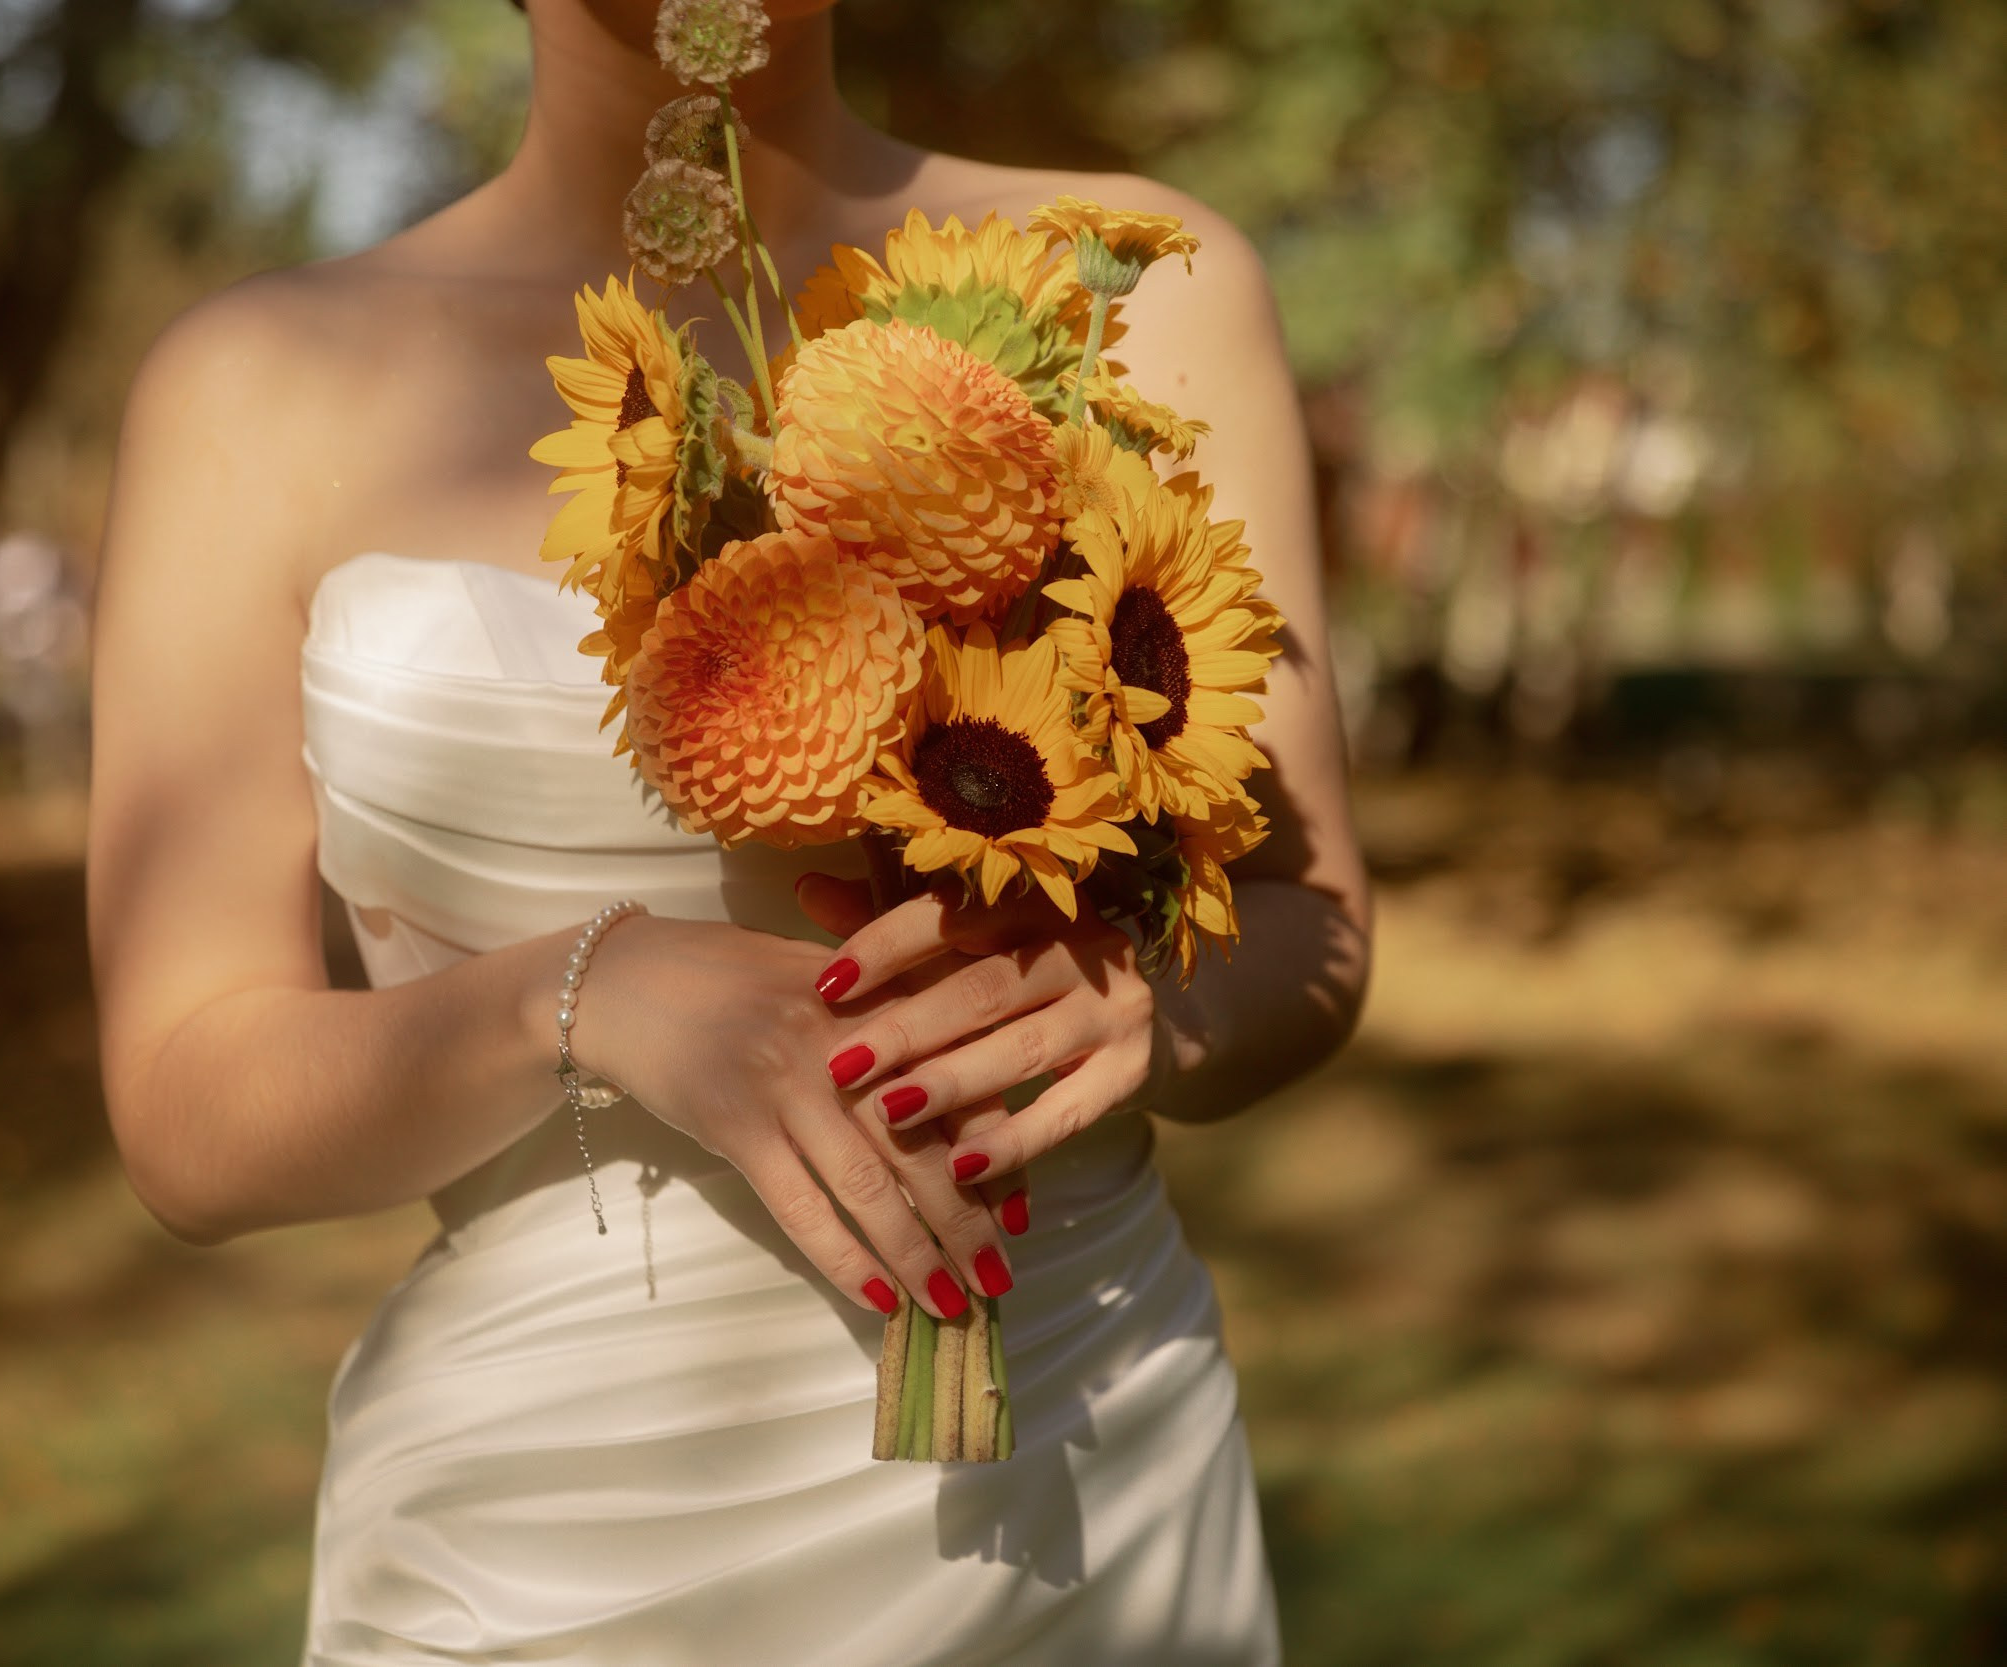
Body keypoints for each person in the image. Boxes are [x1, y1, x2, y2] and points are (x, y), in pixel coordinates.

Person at [87, 0, 1371, 1659]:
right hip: (545, 1539)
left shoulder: (1146, 287)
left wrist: (1148, 1004)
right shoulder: (248, 389)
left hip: (1086, 1458)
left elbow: (1311, 917)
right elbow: (186, 1110)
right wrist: (591, 996)